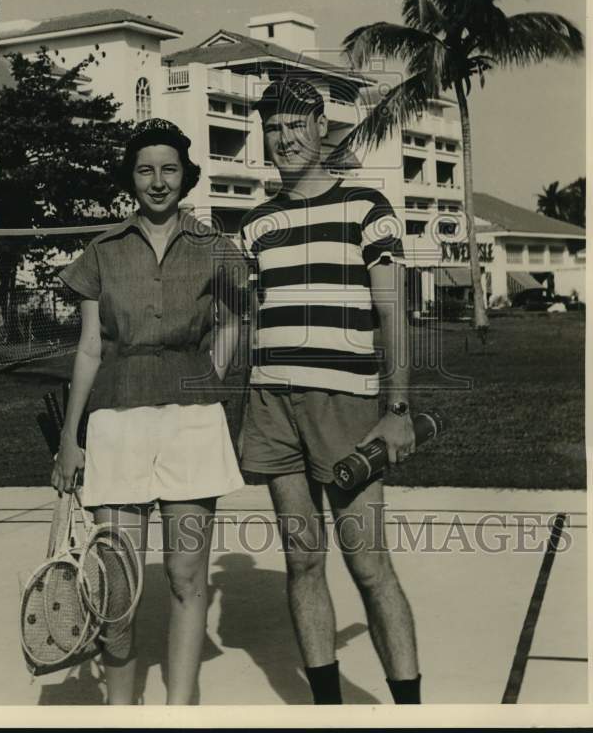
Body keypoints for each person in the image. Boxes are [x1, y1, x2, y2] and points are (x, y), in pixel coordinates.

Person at [238, 78, 421, 705]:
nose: (285, 138)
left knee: (369, 567)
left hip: (343, 404)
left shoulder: (367, 208)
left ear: (320, 126)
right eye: (273, 127)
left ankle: (411, 715)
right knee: (303, 562)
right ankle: (328, 713)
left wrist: (396, 410)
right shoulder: (256, 225)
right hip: (270, 403)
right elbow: (243, 321)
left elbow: (395, 315)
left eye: (295, 124)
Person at [52, 118, 245, 705]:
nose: (158, 181)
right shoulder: (103, 251)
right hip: (116, 421)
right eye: (145, 170)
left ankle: (179, 709)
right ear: (130, 179)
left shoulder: (217, 248)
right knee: (118, 585)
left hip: (192, 422)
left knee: (187, 578)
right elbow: (89, 346)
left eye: (169, 169)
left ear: (186, 176)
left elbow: (235, 320)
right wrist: (69, 436)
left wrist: (205, 374)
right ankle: (120, 708)